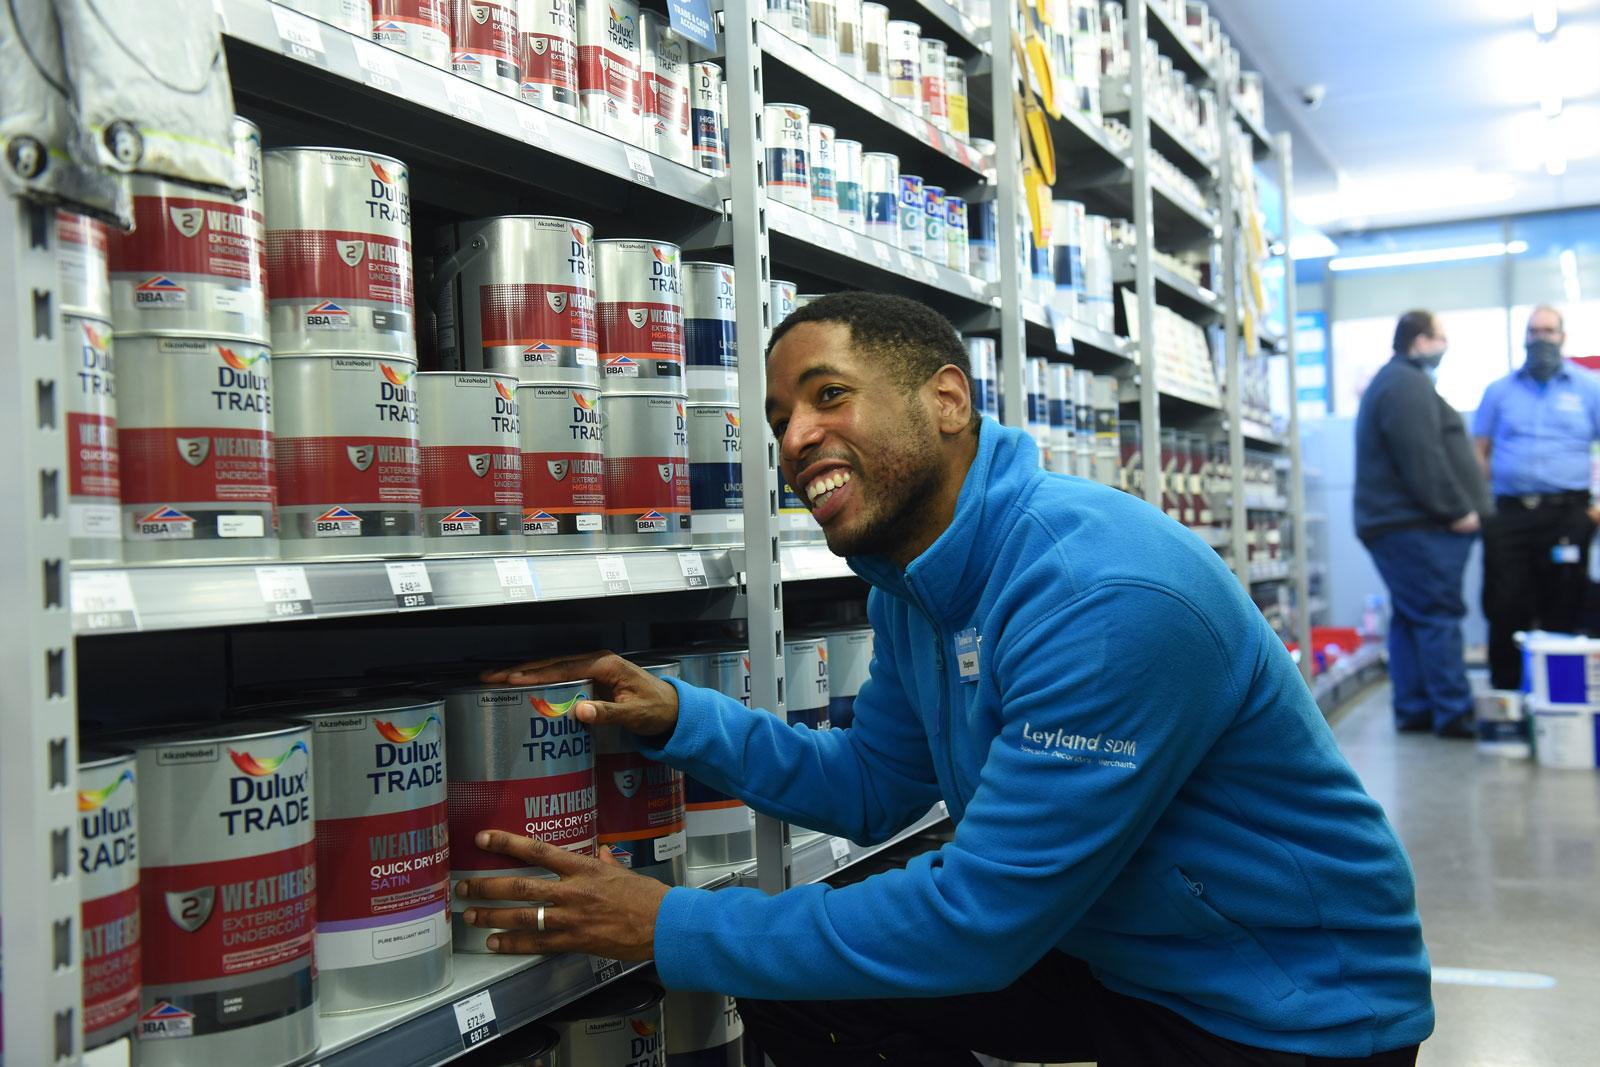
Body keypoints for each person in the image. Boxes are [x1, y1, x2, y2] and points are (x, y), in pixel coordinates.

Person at [457, 293, 1433, 1066]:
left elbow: (978, 921)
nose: (794, 437)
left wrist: (674, 921)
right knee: (799, 983)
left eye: (827, 395)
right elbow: (873, 783)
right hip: (1129, 953)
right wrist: (680, 718)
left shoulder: (1098, 590)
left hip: (1283, 1000)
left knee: (803, 946)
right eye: (779, 416)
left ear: (947, 401)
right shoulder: (914, 585)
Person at [1352, 310, 1489, 737]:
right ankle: (1453, 713)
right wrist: (1457, 510)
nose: (1443, 347)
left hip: (1400, 524)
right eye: (1440, 338)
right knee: (1437, 615)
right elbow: (1420, 457)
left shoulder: (1401, 382)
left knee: (1414, 617)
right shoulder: (1405, 383)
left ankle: (1416, 709)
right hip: (1413, 526)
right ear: (1419, 340)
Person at [1473, 305, 1600, 690]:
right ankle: (1509, 693)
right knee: (1506, 602)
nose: (1541, 338)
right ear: (1525, 337)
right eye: (1534, 331)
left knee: (1564, 601)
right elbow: (1479, 450)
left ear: (1563, 336)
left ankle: (1560, 693)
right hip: (1511, 515)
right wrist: (1486, 504)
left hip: (1570, 514)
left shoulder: (1588, 387)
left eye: (1548, 330)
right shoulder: (1499, 391)